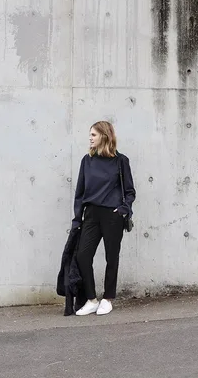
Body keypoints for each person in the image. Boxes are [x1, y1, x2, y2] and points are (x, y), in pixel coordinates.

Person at [72, 121, 136, 316]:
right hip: (91, 214)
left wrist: (123, 209)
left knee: (111, 257)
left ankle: (107, 298)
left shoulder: (120, 161)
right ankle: (91, 299)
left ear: (104, 136)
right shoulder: (87, 160)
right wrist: (77, 219)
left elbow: (130, 191)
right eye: (89, 134)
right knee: (83, 255)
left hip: (112, 215)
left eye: (93, 134)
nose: (90, 138)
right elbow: (80, 193)